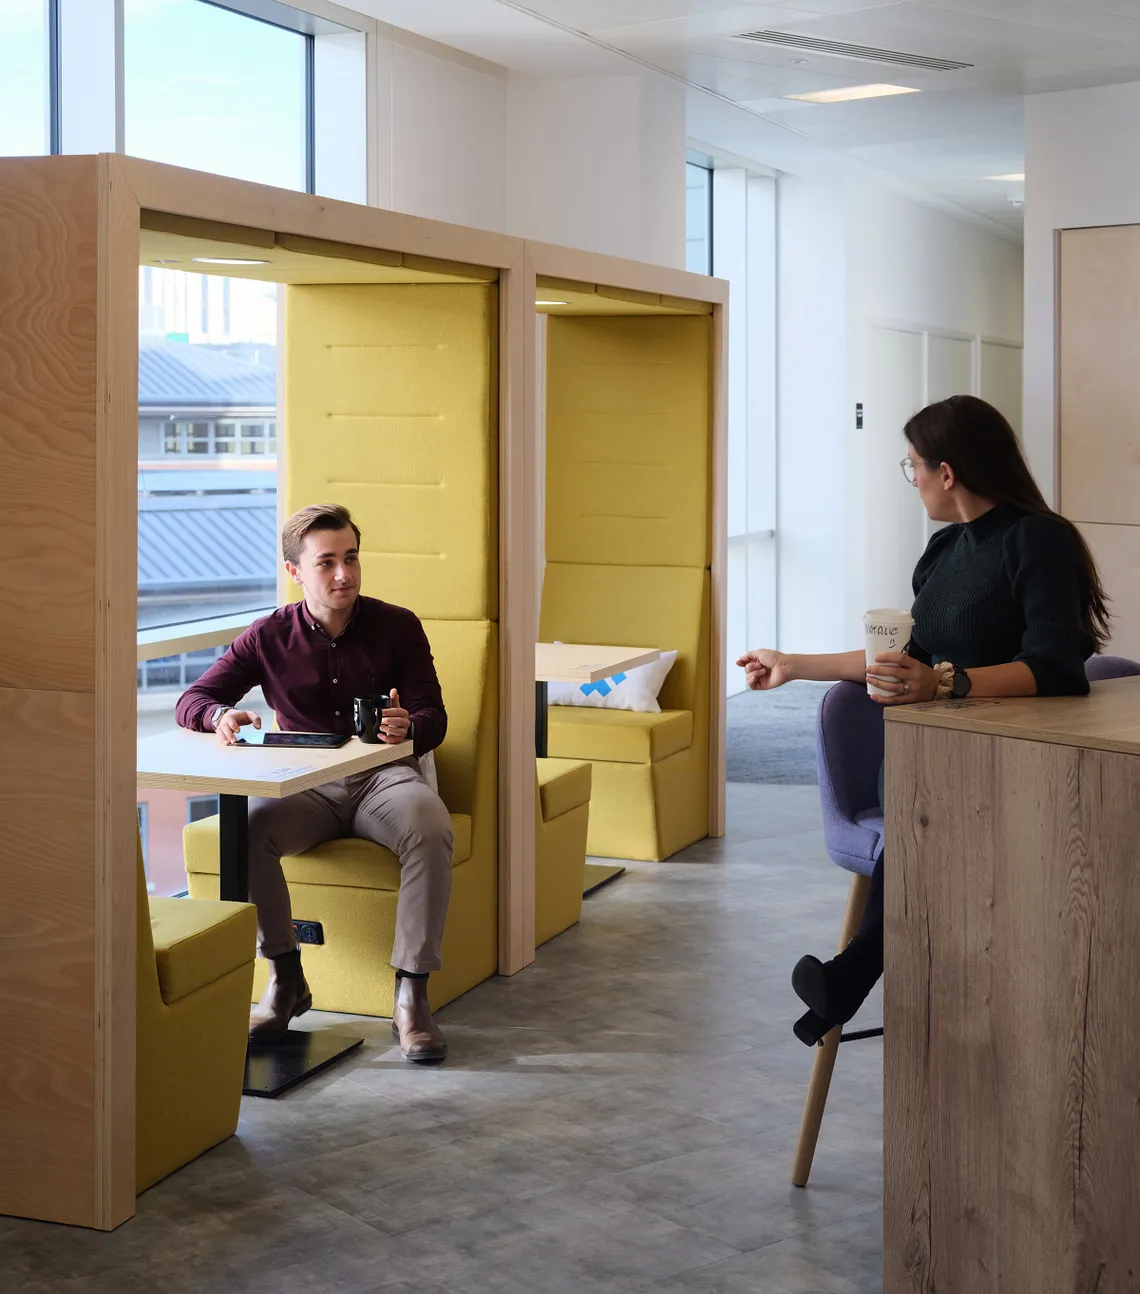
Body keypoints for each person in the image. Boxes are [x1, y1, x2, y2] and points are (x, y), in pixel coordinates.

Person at [737, 395, 1110, 1046]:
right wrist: (791, 664)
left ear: (947, 471)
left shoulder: (1038, 540)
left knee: (925, 823)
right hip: (935, 760)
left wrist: (944, 683)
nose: (911, 480)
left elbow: (1056, 668)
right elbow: (906, 660)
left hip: (1018, 762)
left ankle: (849, 978)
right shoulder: (943, 551)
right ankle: (848, 980)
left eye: (912, 466)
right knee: (924, 814)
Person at [176, 503, 454, 1062]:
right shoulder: (267, 635)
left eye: (351, 558)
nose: (344, 574)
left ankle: (412, 995)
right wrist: (219, 716)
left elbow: (435, 717)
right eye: (326, 562)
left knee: (429, 825)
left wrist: (410, 727)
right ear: (295, 571)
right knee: (244, 829)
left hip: (382, 777)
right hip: (306, 785)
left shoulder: (398, 625)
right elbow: (194, 699)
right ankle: (285, 977)